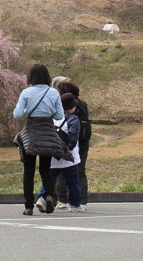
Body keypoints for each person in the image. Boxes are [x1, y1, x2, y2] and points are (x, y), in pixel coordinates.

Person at [12, 63, 69, 216]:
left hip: (31, 132)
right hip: (48, 132)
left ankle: (28, 206)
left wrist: (27, 108)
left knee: (28, 171)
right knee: (45, 169)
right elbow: (59, 116)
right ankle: (49, 195)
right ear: (47, 76)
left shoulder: (26, 92)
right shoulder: (53, 93)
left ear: (31, 77)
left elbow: (17, 114)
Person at [37, 93, 82, 213]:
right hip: (69, 158)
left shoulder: (51, 118)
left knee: (49, 180)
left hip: (52, 157)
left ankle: (42, 198)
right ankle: (74, 204)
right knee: (72, 182)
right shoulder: (73, 119)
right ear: (71, 107)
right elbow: (73, 138)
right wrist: (65, 151)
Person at [54, 79, 91, 210]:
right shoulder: (83, 104)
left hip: (67, 141)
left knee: (63, 170)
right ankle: (82, 201)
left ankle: (63, 200)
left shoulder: (62, 104)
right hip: (83, 141)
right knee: (80, 172)